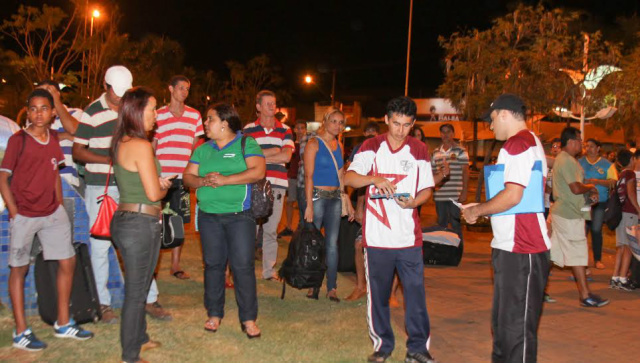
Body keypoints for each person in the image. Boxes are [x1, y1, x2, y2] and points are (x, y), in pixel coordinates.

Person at [73, 65, 170, 323]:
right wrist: (111, 160)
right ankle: (102, 304)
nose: (119, 99)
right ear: (105, 87)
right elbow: (77, 151)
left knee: (141, 245)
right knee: (100, 246)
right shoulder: (92, 112)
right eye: (116, 94)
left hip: (130, 186)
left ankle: (148, 298)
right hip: (100, 187)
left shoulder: (132, 109)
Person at [0, 89, 94, 351]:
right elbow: (3, 177)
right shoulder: (19, 141)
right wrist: (14, 212)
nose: (38, 113)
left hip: (52, 213)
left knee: (68, 262)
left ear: (53, 112)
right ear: (27, 111)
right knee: (19, 269)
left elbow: (54, 171)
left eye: (44, 108)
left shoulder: (53, 138)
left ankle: (63, 323)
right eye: (33, 108)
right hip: (25, 215)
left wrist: (59, 206)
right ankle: (21, 332)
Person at [345, 96, 437, 363]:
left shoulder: (418, 149)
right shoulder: (370, 146)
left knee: (415, 296)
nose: (400, 131)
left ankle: (418, 348)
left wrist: (414, 202)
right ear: (386, 120)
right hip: (377, 239)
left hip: (409, 238)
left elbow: (427, 189)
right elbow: (349, 177)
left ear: (413, 124)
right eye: (396, 124)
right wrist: (374, 178)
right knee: (379, 296)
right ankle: (383, 346)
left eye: (406, 125)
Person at [462, 94, 550, 363]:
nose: (490, 127)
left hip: (523, 247)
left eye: (491, 119)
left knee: (515, 332)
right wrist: (484, 205)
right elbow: (516, 196)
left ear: (503, 114)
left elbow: (513, 195)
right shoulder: (529, 142)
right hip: (512, 246)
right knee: (503, 328)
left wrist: (477, 211)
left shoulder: (517, 144)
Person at [183, 103, 265, 338]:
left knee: (242, 267)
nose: (206, 124)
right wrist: (201, 182)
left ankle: (248, 319)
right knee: (213, 265)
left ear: (225, 123)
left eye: (210, 119)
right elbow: (187, 175)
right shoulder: (202, 148)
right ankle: (214, 313)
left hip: (240, 216)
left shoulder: (246, 143)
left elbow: (258, 171)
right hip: (209, 216)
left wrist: (224, 180)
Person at [110, 87, 172, 363]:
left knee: (141, 285)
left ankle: (140, 337)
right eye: (153, 109)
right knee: (136, 293)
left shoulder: (122, 142)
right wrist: (163, 186)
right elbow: (152, 194)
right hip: (140, 223)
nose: (156, 116)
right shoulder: (142, 145)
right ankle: (130, 356)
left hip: (125, 221)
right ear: (136, 112)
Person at [549, 126, 609, 307]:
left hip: (567, 212)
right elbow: (575, 187)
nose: (582, 145)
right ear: (571, 142)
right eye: (580, 141)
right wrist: (590, 187)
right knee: (577, 254)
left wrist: (588, 196)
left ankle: (538, 290)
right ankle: (585, 295)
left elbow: (575, 189)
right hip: (569, 215)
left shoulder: (567, 160)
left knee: (552, 255)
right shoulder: (566, 160)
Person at [154, 75, 204, 280]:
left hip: (182, 178)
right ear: (170, 89)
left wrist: (193, 171)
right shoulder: (157, 115)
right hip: (160, 178)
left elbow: (197, 147)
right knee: (156, 221)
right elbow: (152, 147)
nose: (184, 92)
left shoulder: (194, 116)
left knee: (178, 221)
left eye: (187, 89)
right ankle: (153, 266)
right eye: (181, 88)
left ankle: (175, 266)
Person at [303, 108, 355, 301]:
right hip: (316, 197)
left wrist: (345, 198)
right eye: (334, 121)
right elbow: (308, 176)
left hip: (334, 198)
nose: (338, 125)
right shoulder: (313, 143)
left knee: (332, 244)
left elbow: (341, 175)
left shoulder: (338, 145)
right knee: (314, 243)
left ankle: (331, 287)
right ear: (325, 121)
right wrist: (308, 204)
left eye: (341, 122)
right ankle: (313, 285)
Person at [243, 90, 294, 280]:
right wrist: (274, 150)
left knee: (271, 230)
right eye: (268, 104)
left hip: (278, 185)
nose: (272, 107)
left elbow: (287, 156)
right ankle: (246, 270)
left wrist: (261, 154)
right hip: (255, 183)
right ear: (258, 107)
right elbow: (246, 156)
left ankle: (268, 271)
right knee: (251, 229)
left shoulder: (285, 129)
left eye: (274, 103)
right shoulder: (248, 129)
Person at [344, 121, 380, 301]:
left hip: (389, 210)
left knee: (392, 252)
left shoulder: (386, 148)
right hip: (368, 206)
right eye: (368, 131)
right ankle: (360, 286)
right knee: (359, 245)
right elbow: (358, 181)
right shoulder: (361, 148)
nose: (371, 134)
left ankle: (388, 293)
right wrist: (358, 207)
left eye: (374, 132)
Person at [36, 80, 83, 194]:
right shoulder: (35, 117)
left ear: (57, 93)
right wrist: (65, 135)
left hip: (68, 181)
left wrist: (56, 102)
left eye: (48, 91)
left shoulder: (74, 113)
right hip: (41, 182)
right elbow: (37, 138)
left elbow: (74, 129)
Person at [579, 139, 617, 269]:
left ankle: (597, 259)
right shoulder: (580, 162)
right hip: (585, 201)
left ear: (598, 148)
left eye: (591, 146)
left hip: (600, 202)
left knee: (596, 229)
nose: (588, 149)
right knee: (583, 230)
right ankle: (582, 261)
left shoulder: (607, 164)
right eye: (586, 146)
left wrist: (597, 181)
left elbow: (613, 182)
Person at [432, 123, 469, 237]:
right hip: (440, 196)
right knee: (441, 226)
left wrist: (464, 192)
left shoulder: (460, 151)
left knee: (456, 225)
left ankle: (457, 252)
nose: (445, 135)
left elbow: (466, 172)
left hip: (455, 195)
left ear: (453, 134)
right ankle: (445, 252)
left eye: (448, 132)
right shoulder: (435, 152)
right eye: (443, 132)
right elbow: (432, 174)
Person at [610, 149, 639, 291]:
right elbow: (631, 193)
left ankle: (615, 277)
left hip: (621, 213)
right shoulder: (630, 174)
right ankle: (623, 278)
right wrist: (638, 210)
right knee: (628, 246)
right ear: (631, 160)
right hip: (629, 213)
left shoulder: (621, 174)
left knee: (621, 247)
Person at [278, 120, 307, 238]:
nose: (299, 130)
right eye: (297, 128)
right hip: (292, 177)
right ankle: (289, 227)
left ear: (305, 129)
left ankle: (301, 228)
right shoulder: (290, 144)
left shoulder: (309, 143)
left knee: (302, 203)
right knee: (290, 201)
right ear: (294, 130)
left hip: (304, 178)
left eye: (302, 128)